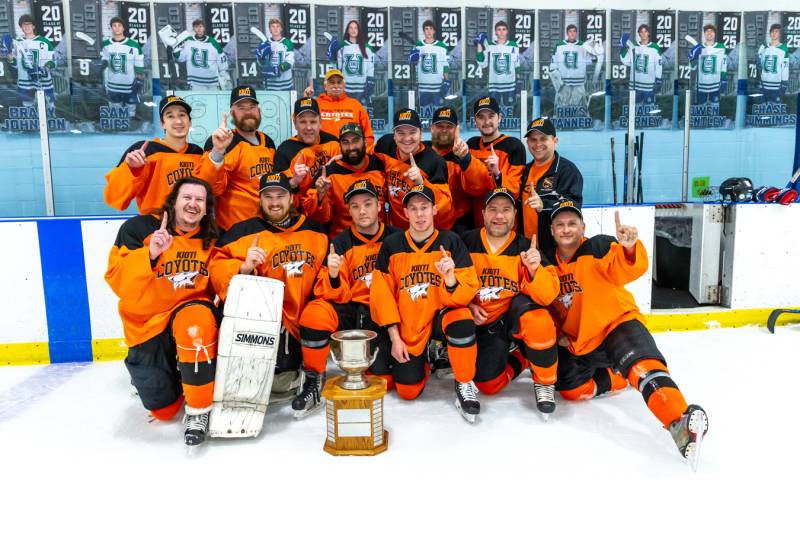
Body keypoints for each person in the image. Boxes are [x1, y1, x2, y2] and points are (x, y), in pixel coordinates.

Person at [542, 200, 708, 465]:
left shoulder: (597, 246)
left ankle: (679, 420)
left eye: (572, 223)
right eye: (560, 225)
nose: (566, 229)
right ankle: (618, 377)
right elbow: (546, 302)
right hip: (582, 342)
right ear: (551, 231)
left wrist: (628, 246)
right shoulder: (547, 263)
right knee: (570, 389)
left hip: (616, 323)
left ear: (582, 227)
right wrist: (557, 331)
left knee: (643, 368)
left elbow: (625, 267)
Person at [105, 177, 221, 446]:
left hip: (190, 311)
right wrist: (151, 254)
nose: (193, 204)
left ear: (206, 208)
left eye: (199, 200)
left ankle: (198, 412)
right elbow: (116, 280)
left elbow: (222, 279)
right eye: (187, 198)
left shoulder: (213, 237)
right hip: (147, 324)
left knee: (195, 327)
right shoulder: (139, 228)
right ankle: (174, 379)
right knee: (164, 411)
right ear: (174, 201)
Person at [210, 172, 328, 402]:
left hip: (302, 321)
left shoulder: (316, 231)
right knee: (270, 383)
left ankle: (308, 367)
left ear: (292, 198)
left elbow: (325, 280)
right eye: (268, 197)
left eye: (280, 196)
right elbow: (217, 268)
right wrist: (244, 267)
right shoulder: (242, 232)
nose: (274, 202)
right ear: (260, 200)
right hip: (263, 321)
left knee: (282, 383)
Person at [370, 185, 482, 422]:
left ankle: (464, 383)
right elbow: (382, 295)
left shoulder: (451, 241)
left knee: (462, 318)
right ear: (405, 213)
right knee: (408, 391)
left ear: (434, 209)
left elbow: (467, 291)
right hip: (411, 322)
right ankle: (426, 361)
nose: (419, 214)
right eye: (413, 209)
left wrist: (450, 279)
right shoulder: (392, 245)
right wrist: (394, 337)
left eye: (424, 208)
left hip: (443, 313)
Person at [293, 180, 400, 416]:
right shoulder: (340, 243)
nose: (362, 211)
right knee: (315, 313)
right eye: (355, 206)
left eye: (368, 204)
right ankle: (313, 379)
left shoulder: (397, 238)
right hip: (355, 309)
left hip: (389, 313)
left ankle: (421, 358)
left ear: (379, 205)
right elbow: (332, 293)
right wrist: (332, 274)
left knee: (387, 379)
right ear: (348, 211)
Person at [461, 188, 560, 417]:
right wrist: (466, 305)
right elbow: (448, 283)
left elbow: (547, 296)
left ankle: (544, 382)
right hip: (486, 325)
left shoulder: (526, 247)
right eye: (493, 210)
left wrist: (535, 270)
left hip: (512, 316)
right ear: (483, 212)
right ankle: (522, 358)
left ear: (515, 214)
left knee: (539, 319)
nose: (499, 216)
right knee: (488, 385)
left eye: (506, 210)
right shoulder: (466, 242)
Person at [104, 95, 227, 213]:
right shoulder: (143, 151)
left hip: (192, 226)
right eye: (170, 116)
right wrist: (131, 169)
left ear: (190, 122)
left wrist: (217, 153)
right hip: (157, 228)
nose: (178, 121)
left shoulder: (198, 153)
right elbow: (114, 198)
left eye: (182, 115)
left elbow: (215, 190)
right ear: (162, 123)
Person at [203, 85, 276, 232]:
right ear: (232, 113)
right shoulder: (222, 142)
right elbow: (210, 188)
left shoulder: (268, 142)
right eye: (241, 107)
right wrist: (217, 151)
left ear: (259, 110)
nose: (248, 112)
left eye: (252, 106)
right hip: (234, 232)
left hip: (267, 229)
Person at [303, 122, 387, 237]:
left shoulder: (380, 164)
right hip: (343, 243)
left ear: (365, 142)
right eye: (345, 142)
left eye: (355, 141)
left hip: (380, 241)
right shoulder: (328, 174)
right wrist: (320, 196)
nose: (351, 147)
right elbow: (317, 218)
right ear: (340, 146)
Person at [374, 108, 452, 229]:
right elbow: (367, 156)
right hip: (396, 231)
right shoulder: (385, 146)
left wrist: (422, 182)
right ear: (394, 135)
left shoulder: (435, 161)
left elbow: (446, 206)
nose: (407, 138)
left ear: (421, 133)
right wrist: (346, 157)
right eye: (401, 133)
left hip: (423, 232)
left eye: (412, 132)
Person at [425, 106, 494, 231]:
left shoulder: (462, 154)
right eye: (440, 126)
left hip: (457, 226)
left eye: (449, 126)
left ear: (457, 129)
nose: (444, 130)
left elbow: (480, 187)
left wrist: (466, 158)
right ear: (431, 127)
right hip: (422, 222)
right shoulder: (421, 152)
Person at [519, 117, 583, 251]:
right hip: (526, 247)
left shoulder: (567, 171)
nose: (538, 144)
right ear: (527, 142)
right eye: (533, 139)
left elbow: (573, 206)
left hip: (554, 249)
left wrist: (544, 205)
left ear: (555, 141)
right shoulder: (524, 171)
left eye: (543, 139)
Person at [467, 96, 527, 226]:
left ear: (499, 118)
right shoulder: (471, 145)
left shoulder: (514, 146)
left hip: (505, 225)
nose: (486, 121)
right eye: (481, 117)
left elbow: (515, 191)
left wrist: (498, 174)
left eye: (491, 116)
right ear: (475, 121)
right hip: (477, 225)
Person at [273, 97, 341, 209]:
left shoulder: (333, 141)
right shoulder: (285, 151)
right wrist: (293, 182)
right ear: (294, 123)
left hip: (332, 211)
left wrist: (342, 160)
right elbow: (279, 196)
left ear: (320, 122)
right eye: (302, 122)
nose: (308, 127)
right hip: (303, 217)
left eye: (313, 121)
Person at [304, 68, 375, 147]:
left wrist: (359, 152)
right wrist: (306, 100)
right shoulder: (316, 103)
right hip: (322, 154)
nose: (336, 86)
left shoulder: (355, 104)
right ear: (325, 86)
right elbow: (300, 122)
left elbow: (369, 137)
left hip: (349, 154)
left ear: (344, 85)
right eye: (332, 83)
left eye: (339, 82)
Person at [4, 14, 56, 116]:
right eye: (24, 25)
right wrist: (9, 57)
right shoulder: (17, 43)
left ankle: (52, 124)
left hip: (43, 81)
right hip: (25, 81)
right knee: (28, 109)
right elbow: (16, 64)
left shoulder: (45, 42)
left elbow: (53, 61)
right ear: (21, 27)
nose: (27, 27)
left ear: (33, 26)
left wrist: (44, 69)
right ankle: (32, 127)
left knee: (50, 107)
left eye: (29, 24)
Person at [549, 24, 603, 111]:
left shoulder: (583, 45)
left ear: (576, 33)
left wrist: (596, 52)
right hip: (564, 85)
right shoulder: (559, 46)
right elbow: (553, 65)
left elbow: (591, 60)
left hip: (579, 84)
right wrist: (558, 82)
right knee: (561, 109)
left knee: (581, 110)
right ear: (567, 33)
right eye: (570, 31)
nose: (572, 33)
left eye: (574, 31)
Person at [100, 17, 145, 119]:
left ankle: (131, 127)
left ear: (123, 28)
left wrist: (139, 79)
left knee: (131, 110)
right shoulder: (105, 44)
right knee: (115, 111)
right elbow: (104, 63)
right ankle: (117, 130)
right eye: (114, 26)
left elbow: (139, 65)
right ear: (111, 28)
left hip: (129, 85)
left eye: (119, 25)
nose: (117, 28)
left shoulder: (134, 45)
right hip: (112, 85)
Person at [326, 20, 376, 103]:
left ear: (359, 30)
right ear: (348, 30)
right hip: (346, 87)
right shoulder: (342, 46)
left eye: (356, 28)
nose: (353, 30)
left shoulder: (367, 47)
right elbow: (338, 67)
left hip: (361, 88)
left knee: (358, 113)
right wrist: (332, 48)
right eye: (351, 28)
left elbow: (370, 67)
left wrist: (370, 82)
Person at [408, 20, 451, 116]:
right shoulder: (418, 46)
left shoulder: (442, 46)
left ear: (434, 31)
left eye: (431, 29)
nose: (428, 31)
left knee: (439, 112)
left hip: (437, 85)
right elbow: (412, 63)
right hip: (423, 85)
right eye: (426, 29)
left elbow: (445, 65)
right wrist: (412, 58)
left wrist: (446, 80)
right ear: (423, 31)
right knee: (424, 112)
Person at [174, 18, 230, 90]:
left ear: (204, 28)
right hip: (195, 82)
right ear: (193, 29)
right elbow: (181, 57)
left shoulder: (212, 42)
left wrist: (224, 74)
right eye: (196, 27)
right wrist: (175, 49)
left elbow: (221, 57)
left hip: (212, 81)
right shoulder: (188, 41)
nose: (199, 29)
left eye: (200, 26)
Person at [475, 21, 519, 109]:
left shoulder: (513, 45)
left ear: (507, 31)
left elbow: (516, 64)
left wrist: (518, 81)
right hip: (494, 85)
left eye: (504, 29)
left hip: (510, 84)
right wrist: (479, 43)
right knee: (493, 110)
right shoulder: (490, 45)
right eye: (499, 30)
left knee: (510, 109)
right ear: (495, 32)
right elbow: (482, 62)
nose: (501, 32)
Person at [620, 24, 663, 104]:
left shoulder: (655, 47)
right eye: (641, 32)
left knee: (649, 109)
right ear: (639, 33)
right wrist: (623, 48)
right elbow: (626, 61)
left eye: (645, 32)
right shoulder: (633, 46)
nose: (643, 34)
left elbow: (659, 65)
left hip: (649, 85)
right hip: (635, 85)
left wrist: (658, 79)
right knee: (634, 109)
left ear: (648, 33)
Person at [687, 24, 728, 105]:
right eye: (707, 31)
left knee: (715, 108)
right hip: (701, 85)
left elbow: (723, 66)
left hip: (716, 85)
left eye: (712, 31)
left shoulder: (721, 47)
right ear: (704, 34)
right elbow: (693, 67)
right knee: (701, 109)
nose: (709, 33)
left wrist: (723, 79)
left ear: (715, 34)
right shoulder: (699, 47)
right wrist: (693, 57)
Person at [255, 17, 294, 91]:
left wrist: (278, 69)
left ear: (281, 29)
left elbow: (290, 62)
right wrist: (261, 58)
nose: (275, 29)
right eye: (273, 26)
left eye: (278, 26)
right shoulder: (264, 44)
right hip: (270, 85)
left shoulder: (288, 43)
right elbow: (260, 64)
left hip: (285, 84)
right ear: (269, 29)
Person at [758, 24, 790, 104]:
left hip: (776, 86)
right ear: (769, 33)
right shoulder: (764, 47)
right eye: (772, 31)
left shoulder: (784, 49)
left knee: (775, 109)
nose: (774, 33)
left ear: (779, 34)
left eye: (776, 31)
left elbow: (785, 68)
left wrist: (784, 84)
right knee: (762, 109)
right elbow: (759, 65)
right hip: (763, 84)